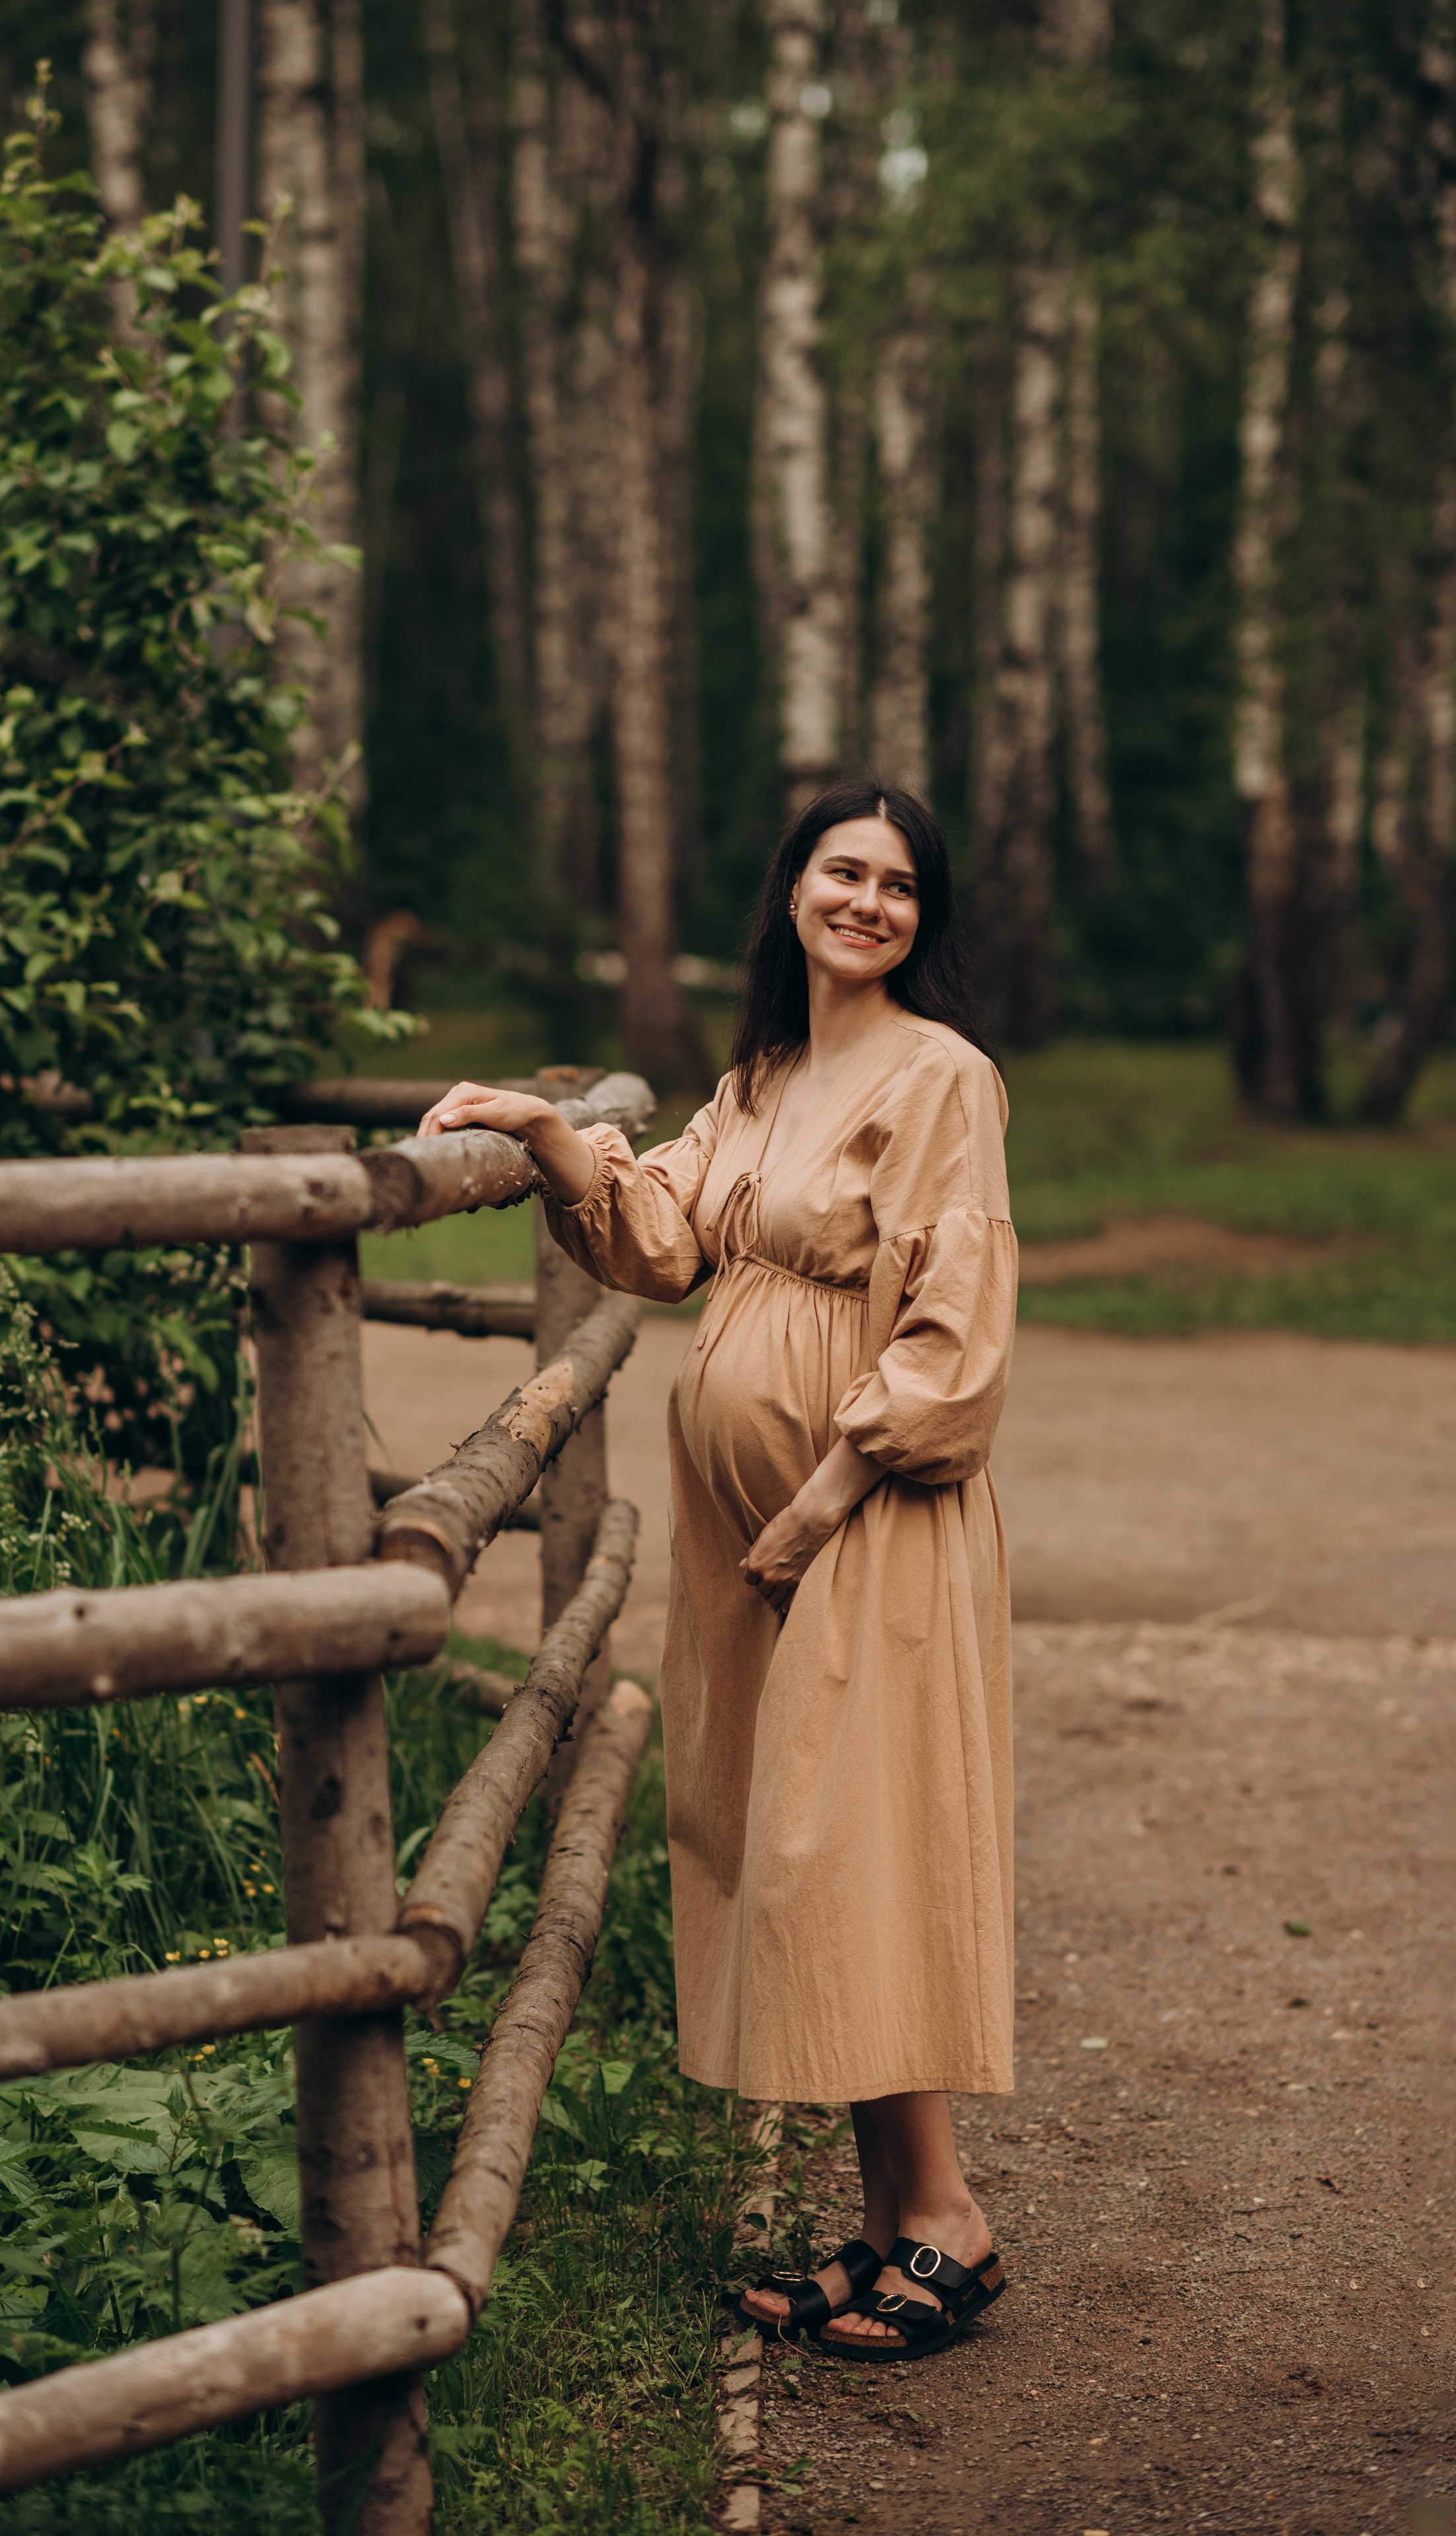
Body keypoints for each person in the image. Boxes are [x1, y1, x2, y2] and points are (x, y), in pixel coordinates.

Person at [417, 778, 1016, 2360]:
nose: (867, 902)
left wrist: (823, 1498)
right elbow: (662, 1241)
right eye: (843, 871)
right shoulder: (760, 1079)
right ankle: (892, 2222)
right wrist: (549, 1131)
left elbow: (956, 1313)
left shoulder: (940, 1075)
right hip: (754, 1543)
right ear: (794, 891)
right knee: (794, 1846)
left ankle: (948, 2215)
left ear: (916, 918)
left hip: (859, 1518)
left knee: (858, 1846)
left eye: (897, 884)